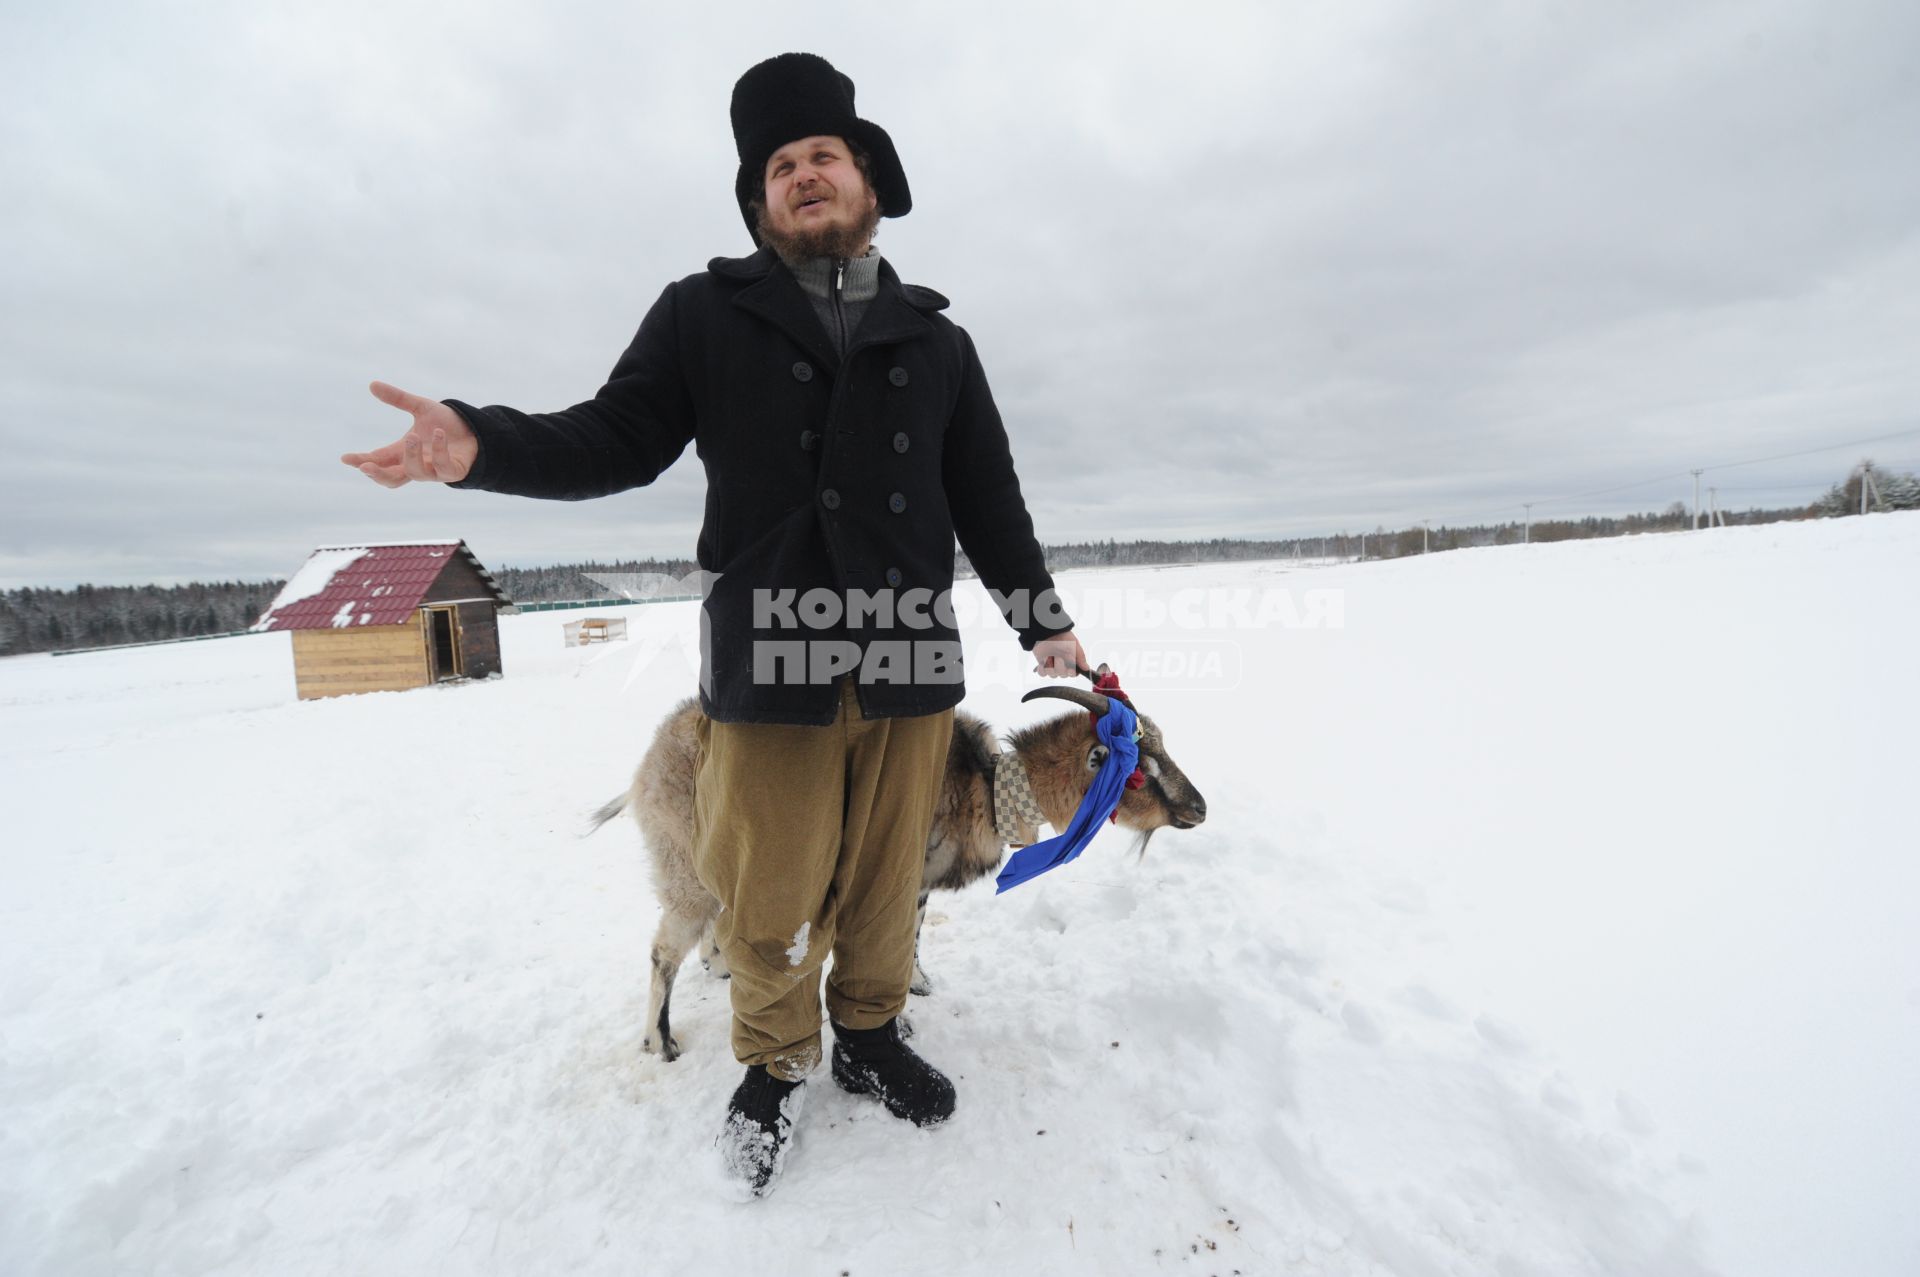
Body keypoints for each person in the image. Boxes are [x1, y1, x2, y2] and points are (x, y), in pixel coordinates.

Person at [343, 51, 1086, 1194]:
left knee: (890, 879)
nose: (804, 175)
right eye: (780, 165)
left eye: (823, 155)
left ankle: (874, 1033)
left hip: (906, 665)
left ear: (867, 178)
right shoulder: (704, 315)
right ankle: (778, 1061)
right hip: (770, 660)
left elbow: (987, 495)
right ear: (761, 202)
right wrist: (483, 445)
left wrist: (1043, 620)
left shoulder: (939, 342)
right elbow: (611, 437)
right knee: (770, 884)